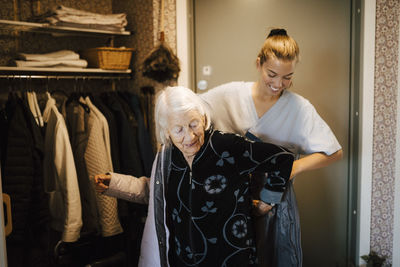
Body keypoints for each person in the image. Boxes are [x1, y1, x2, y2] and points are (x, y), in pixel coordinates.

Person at [94, 86, 295, 267]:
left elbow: (283, 158)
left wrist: (268, 200)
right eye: (178, 129)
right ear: (166, 131)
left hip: (232, 257)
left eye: (193, 124)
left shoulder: (227, 146)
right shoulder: (167, 156)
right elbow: (156, 193)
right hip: (183, 259)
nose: (189, 137)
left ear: (204, 119)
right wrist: (114, 184)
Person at [199, 28, 343, 267]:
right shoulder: (229, 94)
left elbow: (334, 153)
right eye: (272, 74)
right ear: (258, 63)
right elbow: (192, 111)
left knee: (272, 257)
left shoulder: (299, 108)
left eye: (288, 77)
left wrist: (290, 168)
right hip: (230, 195)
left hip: (275, 202)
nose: (279, 84)